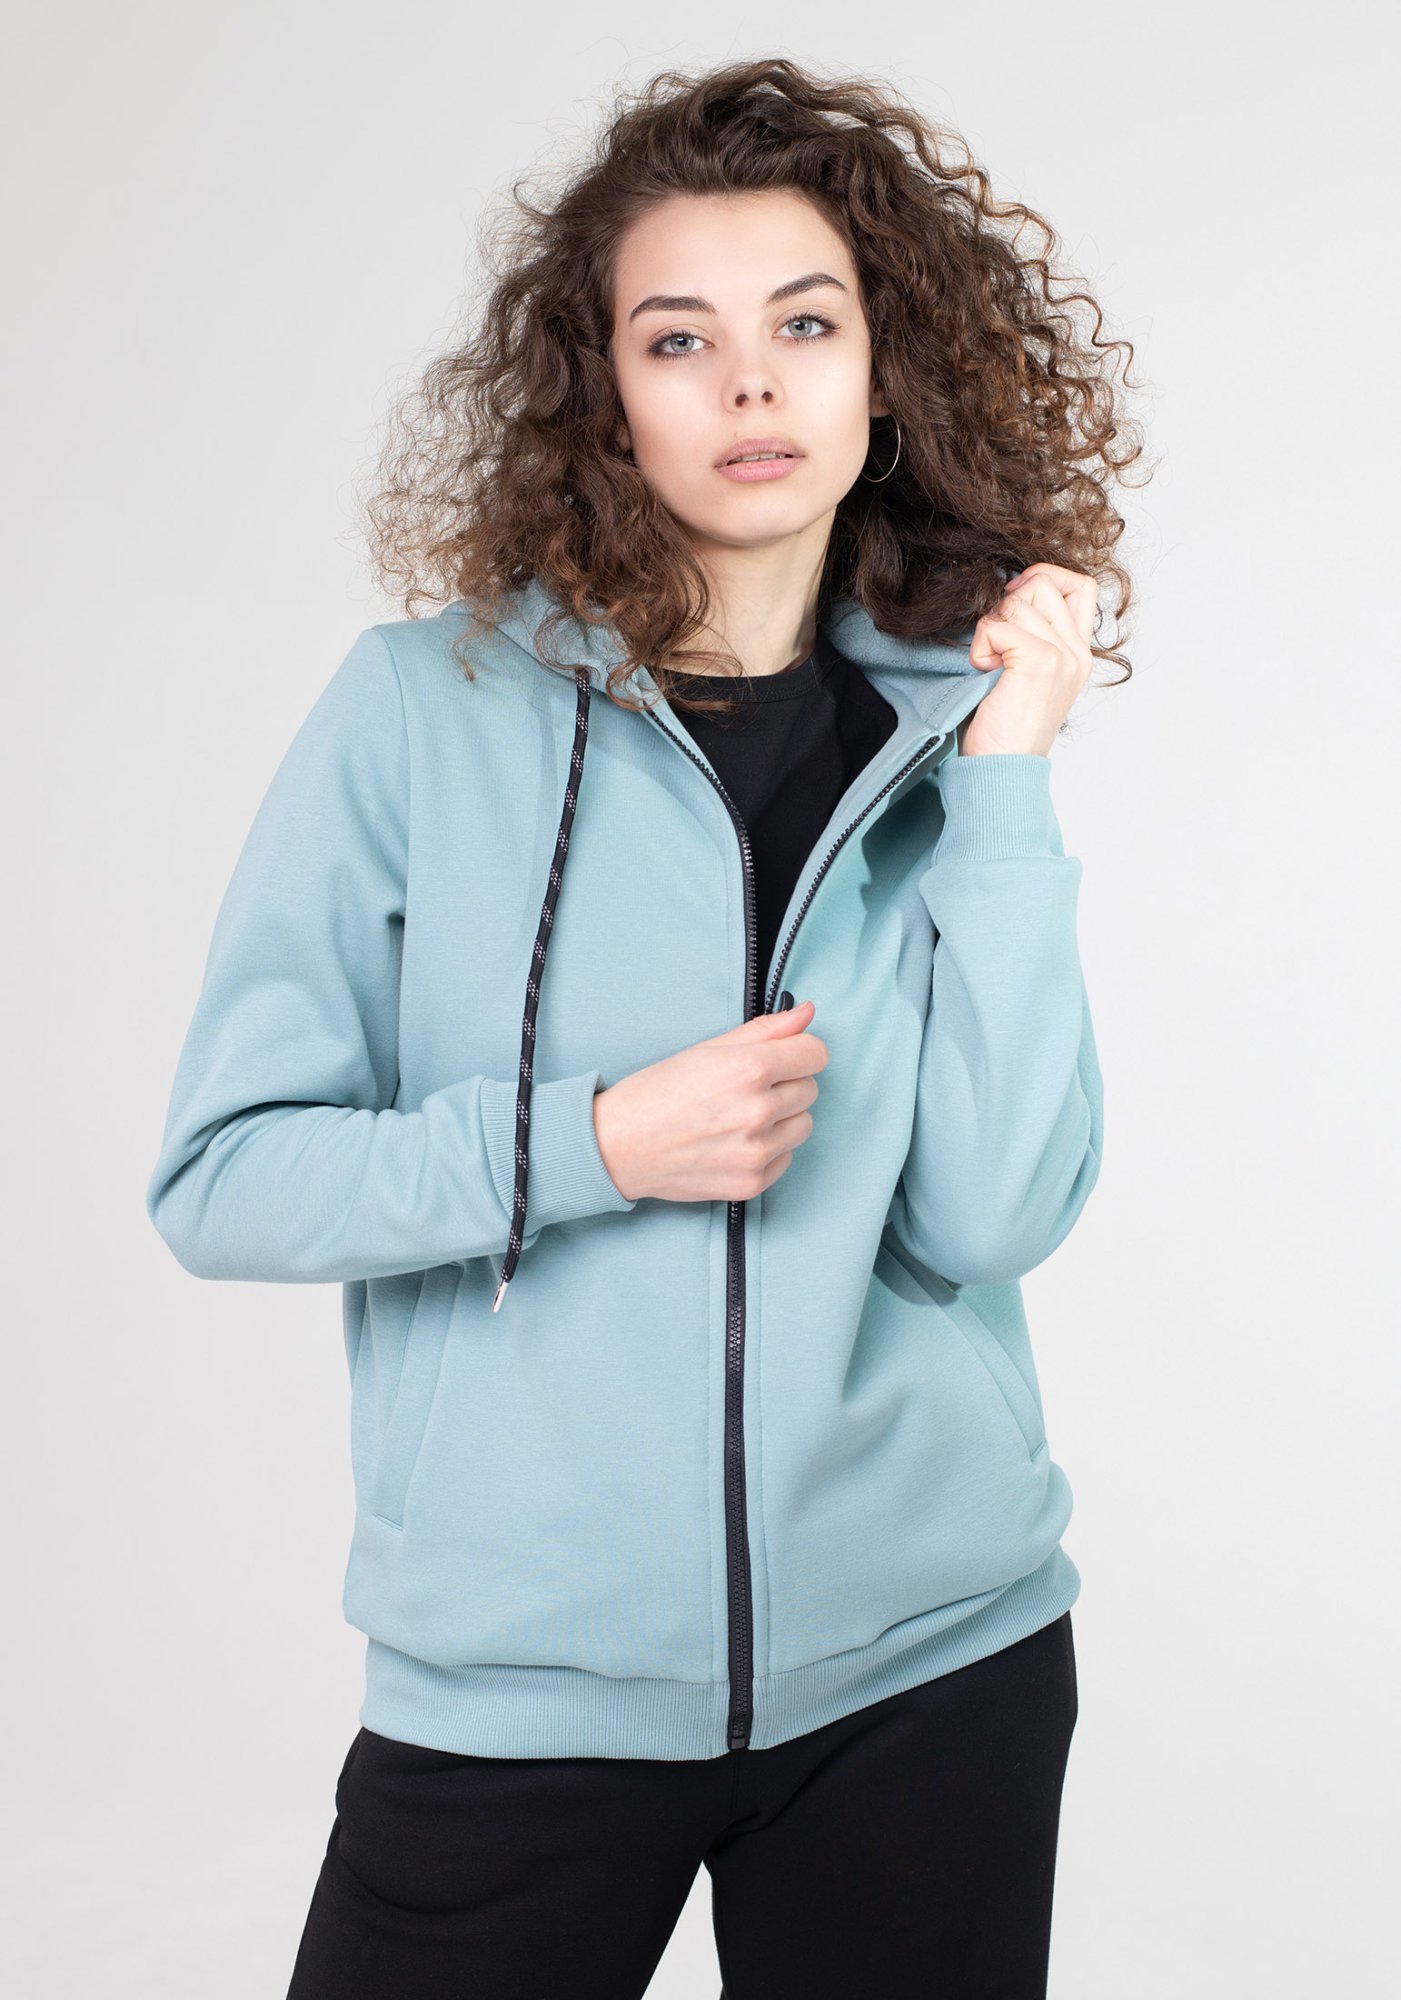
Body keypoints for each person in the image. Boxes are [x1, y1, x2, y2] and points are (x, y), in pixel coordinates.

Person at [146, 54, 1144, 2000]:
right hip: (520, 1684)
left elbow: (994, 1212)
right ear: (601, 392)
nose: (750, 384)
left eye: (804, 325)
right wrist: (594, 1144)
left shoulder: (946, 737)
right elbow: (222, 1176)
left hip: (931, 1664)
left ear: (884, 371)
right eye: (679, 338)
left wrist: (1010, 783)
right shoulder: (417, 713)